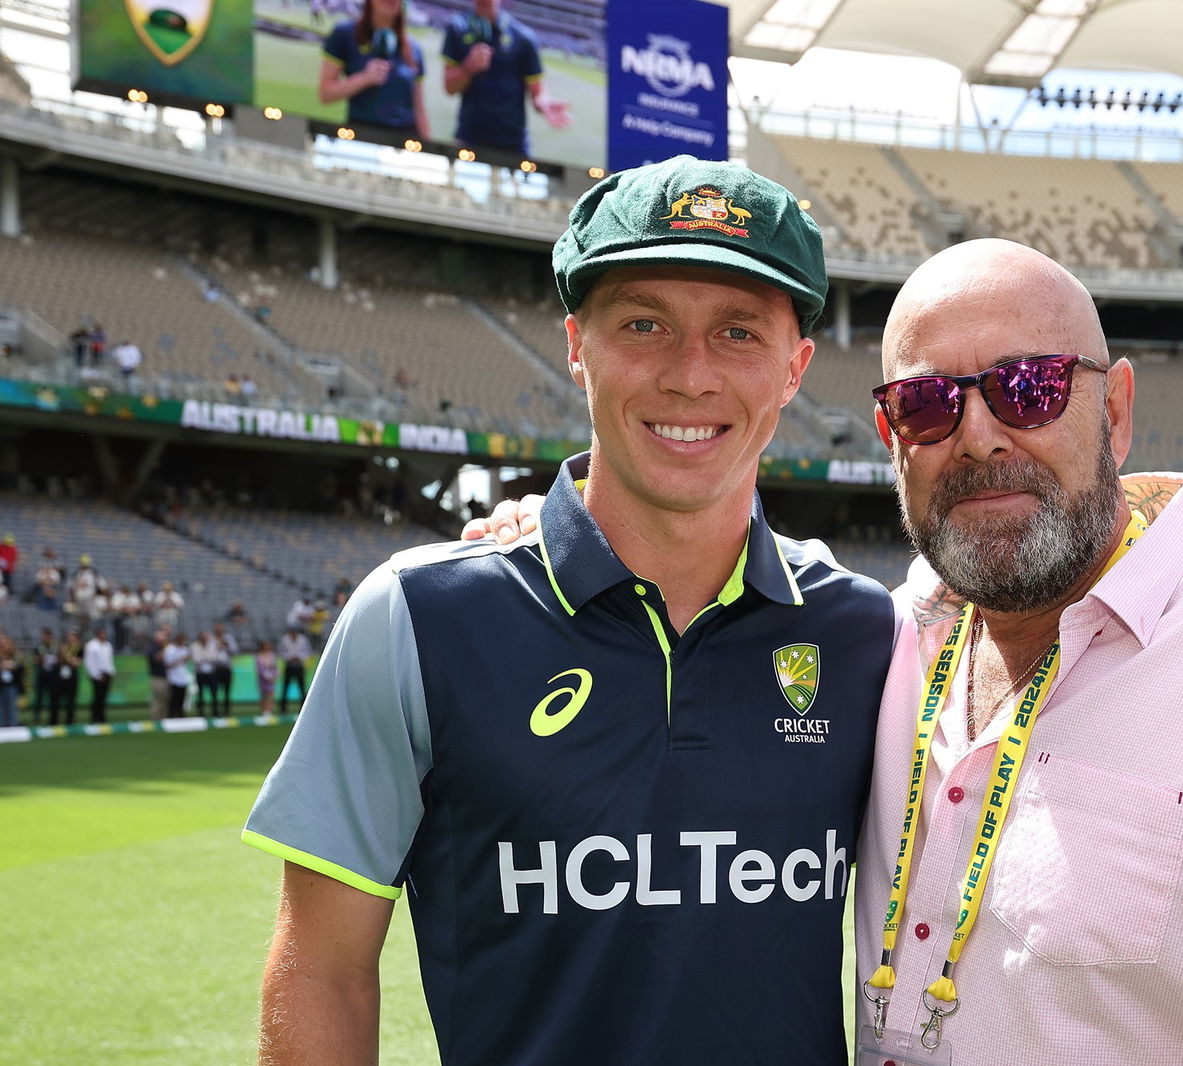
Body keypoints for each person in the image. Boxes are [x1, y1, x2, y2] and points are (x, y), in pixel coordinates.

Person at [470, 239, 1183, 1064]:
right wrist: (555, 532)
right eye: (924, 403)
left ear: (1119, 409)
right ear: (891, 438)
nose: (976, 434)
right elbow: (680, 559)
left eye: (1032, 386)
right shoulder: (883, 641)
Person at [244, 156, 896, 1065]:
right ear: (577, 344)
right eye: (643, 323)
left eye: (740, 333)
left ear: (795, 369)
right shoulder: (417, 618)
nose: (690, 375)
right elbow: (322, 970)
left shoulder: (869, 632)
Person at [441, 0, 570, 157]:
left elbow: (538, 91)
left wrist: (545, 104)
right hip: (469, 138)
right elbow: (450, 87)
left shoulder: (524, 38)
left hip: (513, 144)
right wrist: (469, 68)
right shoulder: (457, 28)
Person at [318, 0, 430, 139]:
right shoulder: (344, 34)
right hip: (359, 135)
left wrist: (428, 149)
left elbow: (419, 110)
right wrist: (364, 78)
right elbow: (325, 94)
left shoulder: (414, 49)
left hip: (403, 142)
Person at [84, 624, 116, 725]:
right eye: (102, 633)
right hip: (97, 675)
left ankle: (102, 716)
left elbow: (109, 660)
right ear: (98, 634)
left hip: (107, 674)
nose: (104, 635)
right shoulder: (91, 645)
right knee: (97, 696)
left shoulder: (108, 645)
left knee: (104, 696)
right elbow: (89, 662)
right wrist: (96, 675)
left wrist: (112, 671)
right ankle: (95, 717)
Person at [276, 627, 310, 713]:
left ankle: (303, 709)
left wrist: (300, 657)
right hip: (289, 665)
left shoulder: (303, 639)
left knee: (301, 688)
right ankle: (283, 709)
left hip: (299, 665)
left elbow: (307, 651)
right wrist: (289, 657)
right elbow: (280, 651)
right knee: (286, 687)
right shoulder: (285, 639)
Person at [211, 621, 239, 716]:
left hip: (226, 668)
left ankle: (226, 711)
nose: (218, 630)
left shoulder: (229, 638)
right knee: (215, 691)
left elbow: (235, 651)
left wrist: (227, 645)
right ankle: (215, 712)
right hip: (215, 668)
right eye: (217, 628)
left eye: (220, 628)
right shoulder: (211, 639)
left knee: (227, 691)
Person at [162, 632, 192, 719]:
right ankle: (171, 715)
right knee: (172, 698)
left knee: (181, 698)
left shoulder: (185, 649)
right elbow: (167, 664)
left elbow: (187, 662)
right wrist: (180, 659)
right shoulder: (170, 649)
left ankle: (180, 714)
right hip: (173, 678)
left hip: (183, 677)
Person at [54, 630, 82, 725]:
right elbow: (57, 661)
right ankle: (55, 720)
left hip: (72, 677)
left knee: (71, 699)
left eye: (72, 638)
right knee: (57, 698)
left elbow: (75, 663)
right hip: (61, 677)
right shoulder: (63, 648)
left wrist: (65, 654)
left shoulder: (79, 649)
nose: (70, 640)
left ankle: (70, 720)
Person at [32, 627, 58, 725]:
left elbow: (60, 659)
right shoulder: (39, 647)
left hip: (53, 676)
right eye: (44, 636)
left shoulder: (55, 647)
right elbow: (35, 660)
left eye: (48, 636)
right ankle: (37, 715)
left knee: (53, 696)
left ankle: (53, 716)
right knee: (39, 696)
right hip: (42, 675)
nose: (46, 638)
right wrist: (42, 659)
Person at [0, 635, 23, 729]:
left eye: (6, 643)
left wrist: (12, 666)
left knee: (12, 707)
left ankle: (13, 726)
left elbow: (21, 667)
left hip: (11, 685)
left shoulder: (15, 655)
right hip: (1, 685)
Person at [147, 627, 170, 720]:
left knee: (165, 699)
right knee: (157, 700)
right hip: (157, 678)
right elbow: (157, 658)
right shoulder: (153, 649)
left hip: (166, 677)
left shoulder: (165, 648)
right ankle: (155, 718)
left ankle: (163, 717)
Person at [254, 639, 278, 715]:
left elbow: (275, 667)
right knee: (264, 695)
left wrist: (274, 676)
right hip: (263, 679)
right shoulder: (258, 656)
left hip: (271, 678)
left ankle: (269, 710)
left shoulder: (272, 656)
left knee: (270, 695)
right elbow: (259, 669)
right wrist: (266, 676)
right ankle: (264, 711)